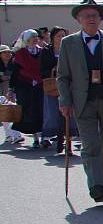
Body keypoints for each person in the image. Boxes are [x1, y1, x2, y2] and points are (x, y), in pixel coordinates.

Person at [57, 0, 103, 202]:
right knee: (90, 145)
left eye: (94, 16)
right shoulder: (68, 43)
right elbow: (62, 76)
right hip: (82, 101)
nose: (90, 19)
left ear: (100, 19)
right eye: (85, 16)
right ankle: (96, 185)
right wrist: (64, 100)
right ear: (78, 19)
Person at [39, 26, 75, 154]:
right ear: (53, 37)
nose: (61, 38)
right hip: (52, 86)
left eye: (63, 35)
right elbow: (41, 69)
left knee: (68, 115)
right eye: (59, 35)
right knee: (55, 114)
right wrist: (53, 69)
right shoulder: (46, 51)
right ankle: (58, 140)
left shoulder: (70, 50)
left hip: (68, 86)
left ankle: (68, 143)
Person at [10, 29, 44, 147]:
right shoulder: (20, 54)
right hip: (25, 87)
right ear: (26, 40)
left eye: (36, 37)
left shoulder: (42, 52)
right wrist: (11, 89)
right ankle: (35, 138)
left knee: (42, 110)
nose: (35, 39)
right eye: (32, 37)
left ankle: (45, 137)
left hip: (40, 86)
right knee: (30, 112)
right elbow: (15, 73)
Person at [0, 44, 23, 144]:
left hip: (12, 91)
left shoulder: (14, 63)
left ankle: (14, 135)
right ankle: (10, 135)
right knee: (5, 113)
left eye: (9, 52)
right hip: (1, 90)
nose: (7, 54)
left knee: (12, 112)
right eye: (4, 52)